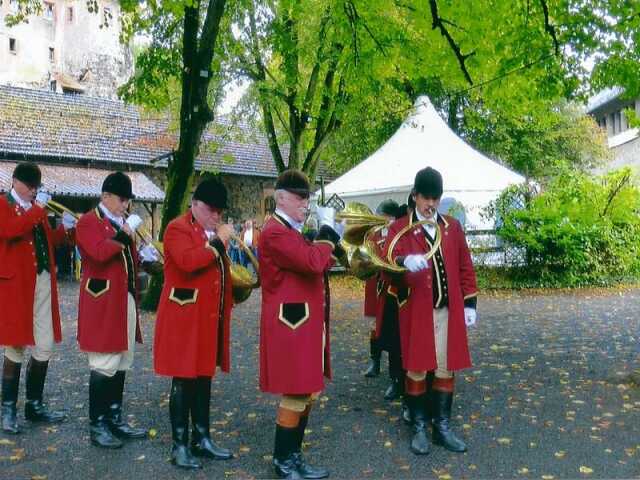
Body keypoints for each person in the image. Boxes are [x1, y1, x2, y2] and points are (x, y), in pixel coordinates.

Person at [384, 167, 478, 456]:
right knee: (415, 370)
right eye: (426, 198)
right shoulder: (399, 228)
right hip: (415, 312)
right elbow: (385, 266)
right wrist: (401, 261)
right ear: (415, 196)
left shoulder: (452, 227)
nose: (431, 205)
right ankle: (419, 428)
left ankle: (443, 427)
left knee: (444, 368)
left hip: (447, 312)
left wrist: (470, 304)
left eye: (436, 198)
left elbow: (465, 266)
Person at [259, 169, 343, 479]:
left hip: (302, 322)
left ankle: (294, 457)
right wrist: (326, 232)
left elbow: (315, 258)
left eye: (306, 199)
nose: (304, 204)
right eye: (299, 198)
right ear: (281, 198)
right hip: (289, 323)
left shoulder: (291, 230)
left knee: (307, 390)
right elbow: (311, 261)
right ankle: (283, 462)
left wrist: (330, 241)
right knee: (295, 392)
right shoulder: (275, 231)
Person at [154, 178, 235, 469]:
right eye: (212, 210)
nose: (217, 216)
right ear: (196, 204)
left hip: (207, 317)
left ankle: (202, 439)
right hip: (183, 317)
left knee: (203, 378)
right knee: (184, 379)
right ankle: (179, 445)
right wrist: (218, 243)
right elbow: (188, 262)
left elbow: (219, 274)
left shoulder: (208, 230)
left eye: (220, 212)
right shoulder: (178, 228)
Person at [0, 162, 76, 434]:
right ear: (15, 181)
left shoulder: (37, 209)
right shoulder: (3, 204)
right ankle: (8, 410)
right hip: (17, 285)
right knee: (16, 345)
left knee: (44, 345)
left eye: (36, 187)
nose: (33, 191)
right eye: (29, 186)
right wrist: (37, 210)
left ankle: (34, 405)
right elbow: (10, 231)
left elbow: (46, 241)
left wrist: (65, 231)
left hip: (43, 281)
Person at [76, 172, 150, 449]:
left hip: (125, 298)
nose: (125, 205)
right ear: (105, 196)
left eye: (128, 200)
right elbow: (98, 253)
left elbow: (125, 260)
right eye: (121, 200)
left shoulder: (119, 222)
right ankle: (98, 426)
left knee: (122, 360)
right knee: (104, 362)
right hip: (102, 300)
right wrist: (124, 234)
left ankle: (114, 418)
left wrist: (144, 256)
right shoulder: (88, 222)